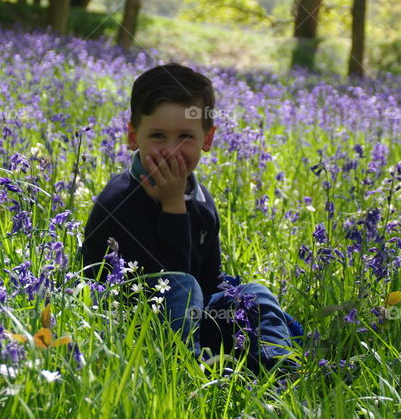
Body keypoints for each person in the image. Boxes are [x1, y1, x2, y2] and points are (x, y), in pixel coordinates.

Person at [82, 63, 301, 374]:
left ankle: (280, 369)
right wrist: (172, 207)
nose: (171, 151)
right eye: (158, 135)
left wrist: (238, 307)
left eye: (185, 136)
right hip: (131, 330)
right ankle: (189, 375)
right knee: (180, 287)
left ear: (207, 139)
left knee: (253, 294)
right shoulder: (120, 201)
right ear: (133, 136)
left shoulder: (200, 201)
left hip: (193, 318)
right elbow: (169, 282)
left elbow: (210, 281)